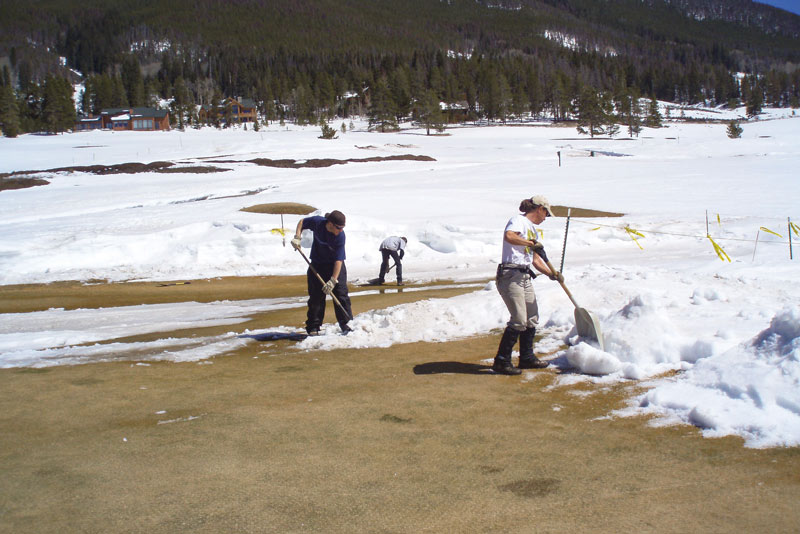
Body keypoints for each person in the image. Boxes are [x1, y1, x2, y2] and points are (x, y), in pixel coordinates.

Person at [493, 195, 564, 375]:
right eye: (546, 214)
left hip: (524, 275)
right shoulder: (518, 221)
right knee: (519, 319)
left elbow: (535, 260)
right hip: (510, 274)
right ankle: (501, 361)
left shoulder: (533, 230)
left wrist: (552, 274)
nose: (546, 218)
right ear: (539, 208)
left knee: (531, 317)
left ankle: (526, 358)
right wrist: (530, 243)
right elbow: (509, 236)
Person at [291, 210, 353, 336]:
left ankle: (347, 324)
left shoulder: (340, 236)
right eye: (338, 227)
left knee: (340, 294)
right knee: (316, 297)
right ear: (330, 223)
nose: (341, 230)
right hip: (317, 264)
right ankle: (313, 327)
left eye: (343, 228)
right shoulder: (318, 222)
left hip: (335, 266)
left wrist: (333, 280)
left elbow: (339, 260)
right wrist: (297, 237)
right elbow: (302, 222)